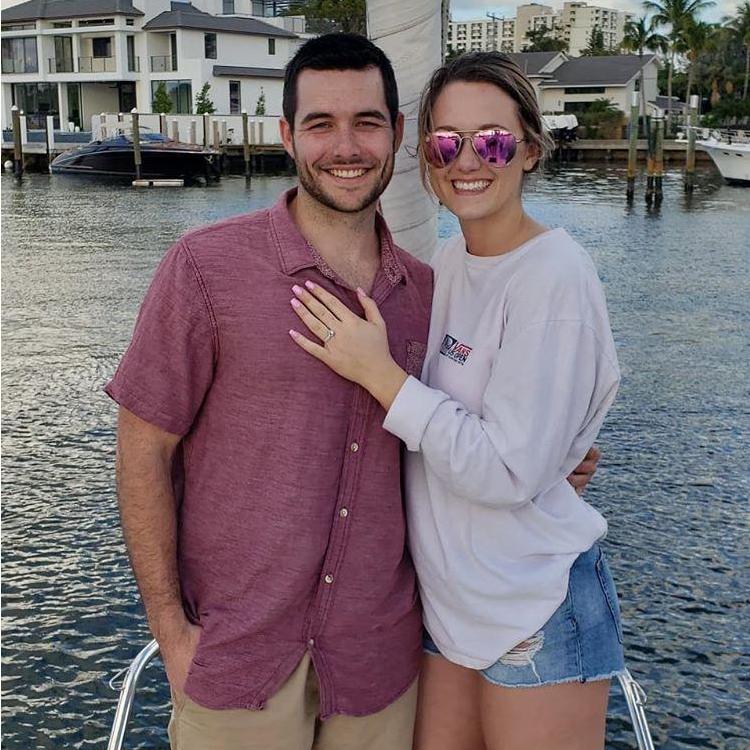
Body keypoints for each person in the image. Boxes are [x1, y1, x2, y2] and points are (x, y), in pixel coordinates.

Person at [106, 36, 599, 750]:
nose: (347, 146)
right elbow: (141, 450)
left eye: (368, 122)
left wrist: (558, 459)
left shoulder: (428, 292)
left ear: (398, 136)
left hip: (377, 670)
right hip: (240, 663)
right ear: (285, 135)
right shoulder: (206, 269)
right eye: (320, 124)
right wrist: (170, 630)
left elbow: (492, 426)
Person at [288, 51, 624, 750]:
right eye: (447, 141)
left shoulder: (553, 277)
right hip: (450, 612)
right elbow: (491, 440)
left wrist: (379, 376)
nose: (468, 160)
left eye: (493, 140)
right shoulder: (449, 265)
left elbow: (504, 469)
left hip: (533, 610)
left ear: (529, 149)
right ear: (427, 156)